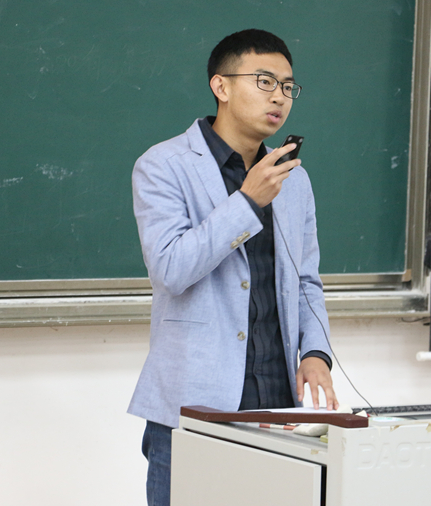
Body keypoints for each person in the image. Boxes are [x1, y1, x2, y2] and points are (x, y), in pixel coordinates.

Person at [128, 29, 339, 506]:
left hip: (279, 405)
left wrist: (315, 353)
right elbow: (171, 269)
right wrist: (246, 203)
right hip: (193, 409)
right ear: (220, 86)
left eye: (288, 86)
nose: (279, 97)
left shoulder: (294, 179)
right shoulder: (163, 165)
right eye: (264, 81)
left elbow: (306, 281)